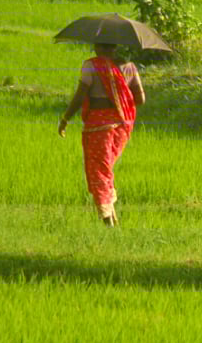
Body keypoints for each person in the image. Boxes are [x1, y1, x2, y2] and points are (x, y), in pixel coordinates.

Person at [58, 42, 146, 226]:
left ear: (97, 47)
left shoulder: (91, 66)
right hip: (122, 125)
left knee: (99, 170)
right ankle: (113, 218)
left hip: (98, 126)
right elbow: (140, 100)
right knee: (105, 169)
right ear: (115, 47)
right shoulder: (129, 67)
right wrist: (119, 94)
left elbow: (80, 96)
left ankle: (107, 219)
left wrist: (66, 118)